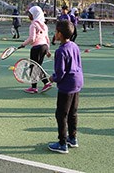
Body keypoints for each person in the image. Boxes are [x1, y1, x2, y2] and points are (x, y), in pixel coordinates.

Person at [47, 20, 84, 154]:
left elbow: (60, 73)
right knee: (73, 113)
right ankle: (72, 138)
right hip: (77, 83)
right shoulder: (74, 45)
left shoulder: (60, 51)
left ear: (60, 34)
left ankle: (62, 143)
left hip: (67, 86)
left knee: (61, 114)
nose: (54, 34)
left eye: (56, 31)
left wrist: (53, 78)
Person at [18, 6, 53, 94]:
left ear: (34, 15)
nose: (28, 16)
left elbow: (32, 39)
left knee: (34, 67)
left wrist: (23, 44)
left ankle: (44, 84)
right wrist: (48, 50)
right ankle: (36, 86)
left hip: (36, 48)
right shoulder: (44, 25)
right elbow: (47, 39)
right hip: (44, 47)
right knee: (37, 67)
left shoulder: (33, 25)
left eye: (30, 14)